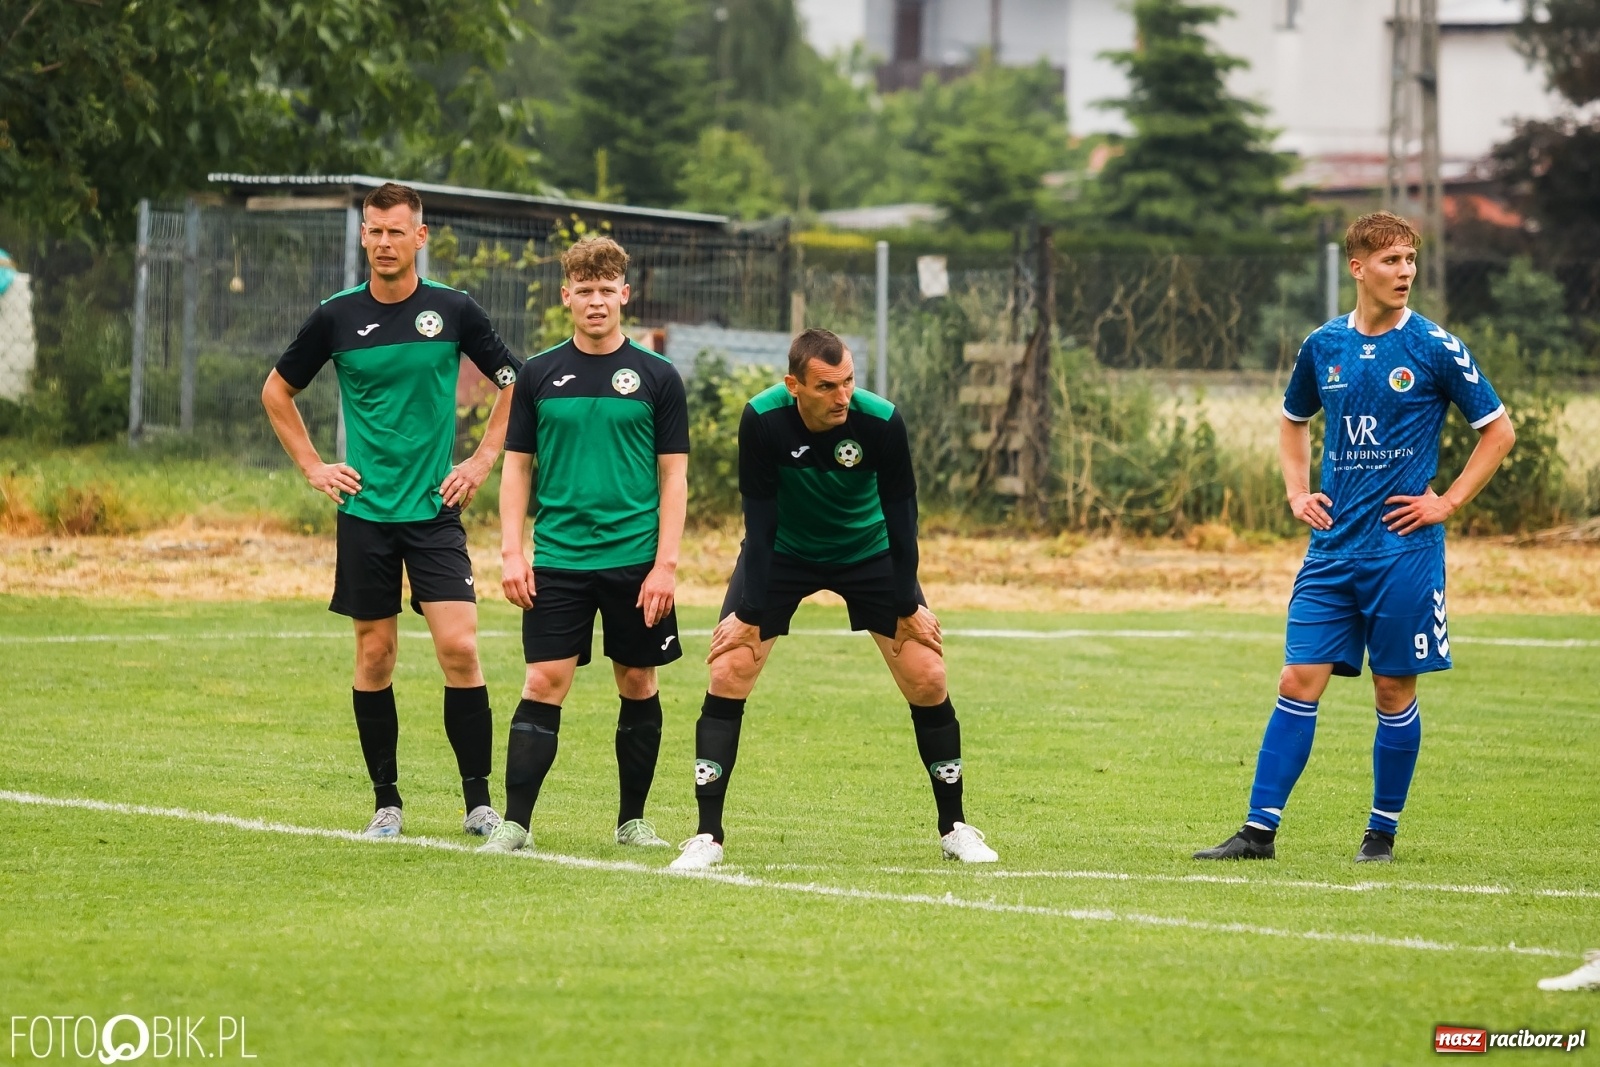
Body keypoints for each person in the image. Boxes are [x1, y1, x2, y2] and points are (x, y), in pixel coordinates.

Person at [1194, 211, 1515, 864]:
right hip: (1332, 550)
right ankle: (1258, 833)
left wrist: (1447, 501)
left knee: (1392, 690)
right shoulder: (1324, 345)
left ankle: (1380, 833)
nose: (1405, 272)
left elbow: (1498, 431)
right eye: (1392, 260)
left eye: (1410, 260)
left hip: (1403, 552)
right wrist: (1296, 492)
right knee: (1297, 678)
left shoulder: (1434, 346)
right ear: (1358, 267)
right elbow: (1292, 419)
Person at [668, 328, 998, 871]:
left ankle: (955, 828)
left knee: (928, 677)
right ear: (793, 385)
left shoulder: (881, 421)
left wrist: (907, 604)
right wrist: (749, 615)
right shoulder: (762, 419)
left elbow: (903, 518)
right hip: (784, 550)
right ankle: (707, 836)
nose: (842, 396)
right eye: (826, 386)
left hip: (867, 550)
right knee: (728, 671)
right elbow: (760, 521)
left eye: (848, 382)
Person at [262, 182, 520, 839]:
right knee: (375, 655)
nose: (383, 242)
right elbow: (276, 391)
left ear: (419, 237)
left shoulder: (454, 309)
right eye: (374, 231)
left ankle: (479, 803)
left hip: (434, 510)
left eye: (395, 231)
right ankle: (387, 803)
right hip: (366, 514)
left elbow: (515, 383)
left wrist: (482, 459)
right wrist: (314, 467)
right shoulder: (336, 317)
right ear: (363, 236)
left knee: (460, 648)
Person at [478, 235, 689, 854]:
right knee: (544, 681)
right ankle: (516, 824)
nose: (596, 302)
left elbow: (674, 476)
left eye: (607, 290)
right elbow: (517, 468)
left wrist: (666, 565)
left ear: (625, 295)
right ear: (566, 296)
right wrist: (511, 552)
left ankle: (633, 822)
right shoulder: (538, 374)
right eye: (585, 291)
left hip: (636, 561)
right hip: (560, 559)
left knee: (638, 682)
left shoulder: (658, 376)